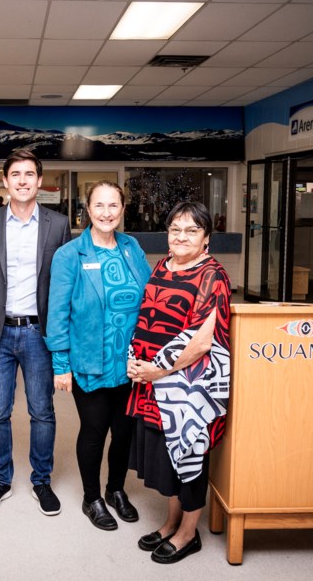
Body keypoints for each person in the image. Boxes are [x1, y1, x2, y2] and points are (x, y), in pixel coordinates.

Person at [126, 201, 232, 564]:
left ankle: (189, 533)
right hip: (154, 382)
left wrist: (158, 371)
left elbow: (202, 341)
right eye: (175, 229)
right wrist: (138, 363)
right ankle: (171, 522)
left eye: (191, 230)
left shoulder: (212, 275)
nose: (181, 236)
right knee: (167, 455)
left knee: (189, 452)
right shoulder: (163, 265)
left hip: (187, 386)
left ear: (206, 239)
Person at [0, 151, 71, 516]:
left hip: (40, 334)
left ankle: (41, 480)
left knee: (42, 411)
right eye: (16, 174)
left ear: (40, 181)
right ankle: (1, 480)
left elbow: (64, 287)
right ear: (5, 181)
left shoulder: (58, 225)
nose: (23, 180)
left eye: (30, 174)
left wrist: (63, 340)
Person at [45, 181, 151, 531]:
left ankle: (116, 490)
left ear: (123, 209)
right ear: (87, 210)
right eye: (99, 206)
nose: (107, 213)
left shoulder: (131, 247)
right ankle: (92, 497)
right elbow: (57, 313)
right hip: (90, 362)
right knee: (95, 430)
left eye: (113, 206)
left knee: (123, 432)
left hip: (130, 363)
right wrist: (61, 366)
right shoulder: (70, 255)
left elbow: (149, 296)